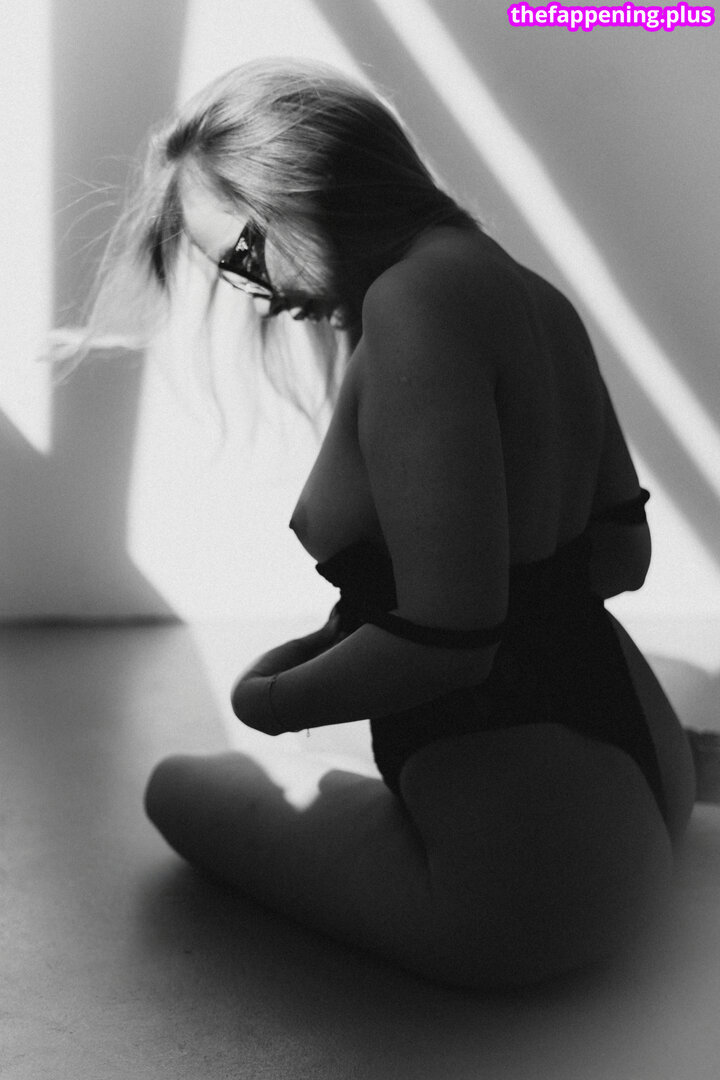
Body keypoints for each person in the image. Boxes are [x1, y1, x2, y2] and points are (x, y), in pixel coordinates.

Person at [102, 58, 697, 988]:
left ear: (304, 188)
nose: (248, 291)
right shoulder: (531, 294)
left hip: (536, 882)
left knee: (175, 786)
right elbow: (623, 555)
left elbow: (451, 642)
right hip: (647, 779)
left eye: (245, 253)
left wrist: (267, 702)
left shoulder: (412, 303)